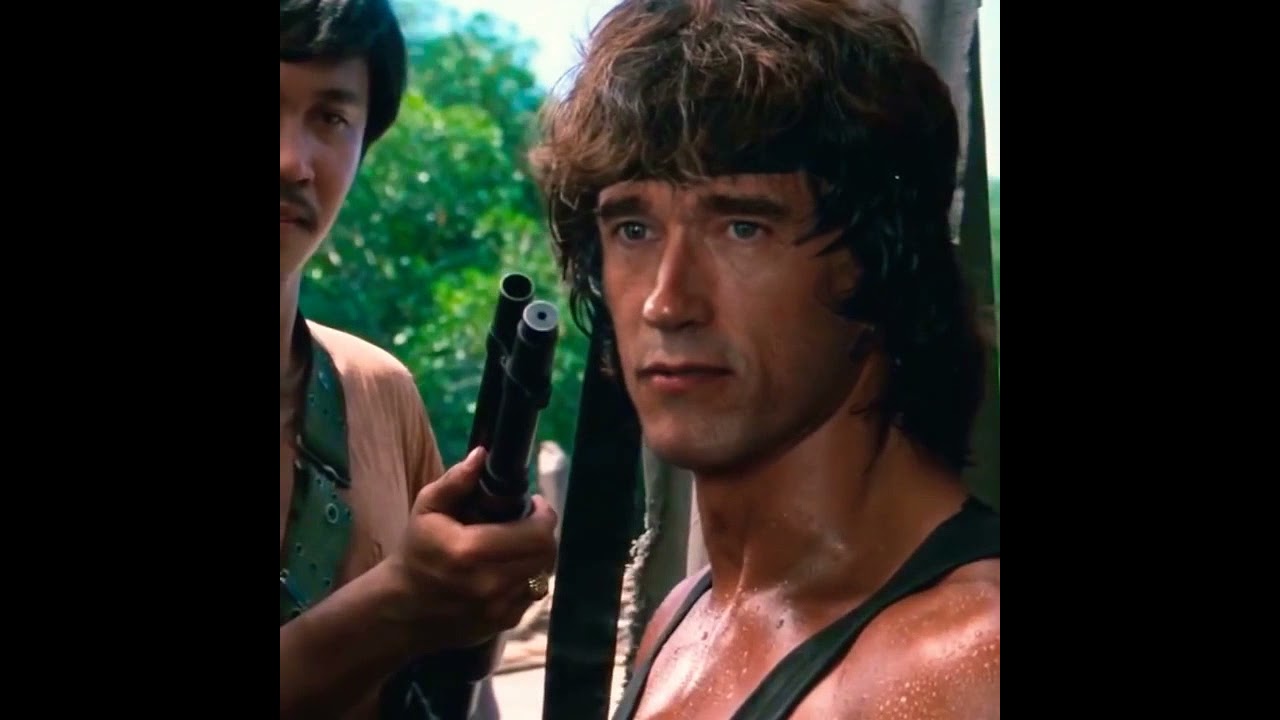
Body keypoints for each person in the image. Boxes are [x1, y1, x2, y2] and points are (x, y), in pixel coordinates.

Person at [528, 0, 999, 718]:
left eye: (742, 227)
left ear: (877, 259)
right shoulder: (685, 620)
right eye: (633, 229)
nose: (665, 302)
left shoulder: (967, 661)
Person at [280, 1, 558, 718]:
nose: (292, 161)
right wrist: (400, 600)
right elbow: (413, 605)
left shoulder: (377, 392)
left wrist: (504, 589)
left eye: (331, 118)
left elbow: (461, 685)